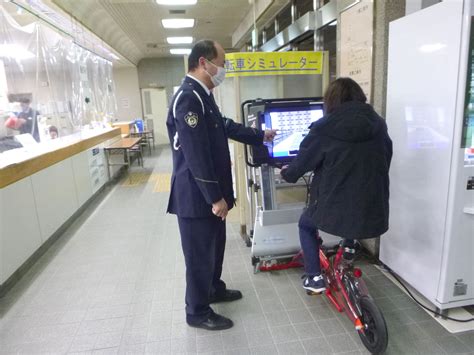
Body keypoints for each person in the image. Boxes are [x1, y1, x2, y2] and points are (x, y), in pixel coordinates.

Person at [166, 39, 277, 331]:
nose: (224, 69)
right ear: (204, 63)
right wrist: (215, 198)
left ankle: (213, 289)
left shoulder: (203, 95)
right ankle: (197, 311)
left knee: (214, 248)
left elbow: (224, 126)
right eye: (222, 63)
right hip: (196, 196)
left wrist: (259, 135)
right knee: (199, 255)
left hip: (209, 195)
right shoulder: (188, 98)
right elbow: (195, 154)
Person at [281, 77, 392, 293]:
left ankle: (313, 278)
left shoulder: (324, 127)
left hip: (334, 208)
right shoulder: (378, 123)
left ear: (330, 101)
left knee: (306, 224)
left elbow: (302, 163)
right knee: (354, 205)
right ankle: (349, 246)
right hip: (373, 205)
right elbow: (386, 157)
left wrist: (288, 173)